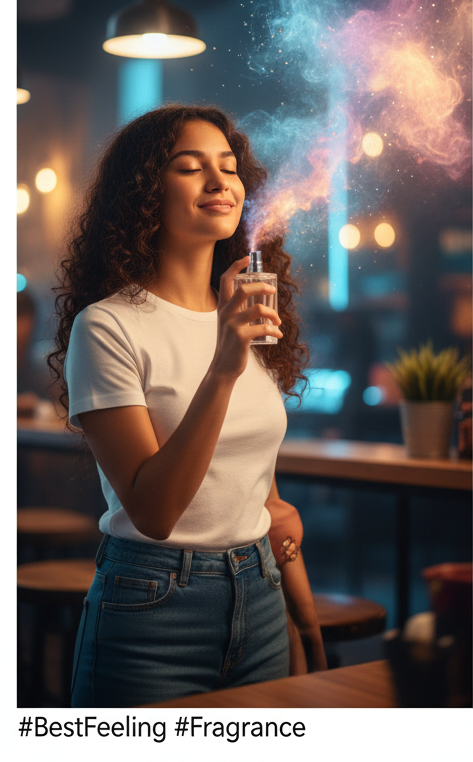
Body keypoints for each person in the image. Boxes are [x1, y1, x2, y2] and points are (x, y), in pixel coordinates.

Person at [49, 104, 327, 707]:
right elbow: (153, 511)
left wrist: (303, 618)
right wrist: (224, 366)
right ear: (144, 192)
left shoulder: (250, 316)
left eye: (229, 167)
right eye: (189, 166)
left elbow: (268, 501)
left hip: (262, 594)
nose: (219, 180)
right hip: (151, 609)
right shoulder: (107, 328)